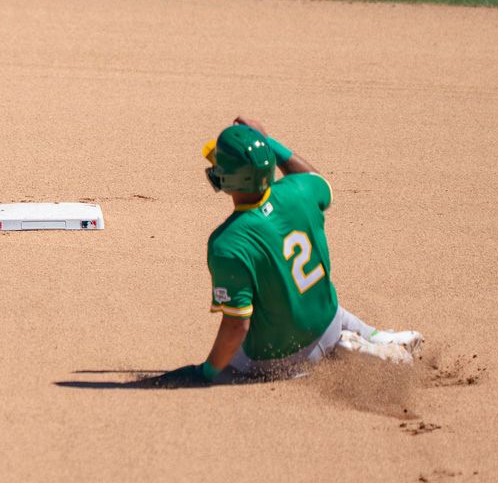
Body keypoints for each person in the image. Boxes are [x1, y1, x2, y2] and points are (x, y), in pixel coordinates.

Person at [154, 116, 422, 385]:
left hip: (282, 359)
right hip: (328, 323)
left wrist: (207, 372)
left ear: (224, 179)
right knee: (323, 304)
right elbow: (315, 179)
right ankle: (371, 337)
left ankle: (349, 348)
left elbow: (237, 326)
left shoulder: (228, 242)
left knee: (224, 366)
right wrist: (267, 143)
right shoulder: (300, 190)